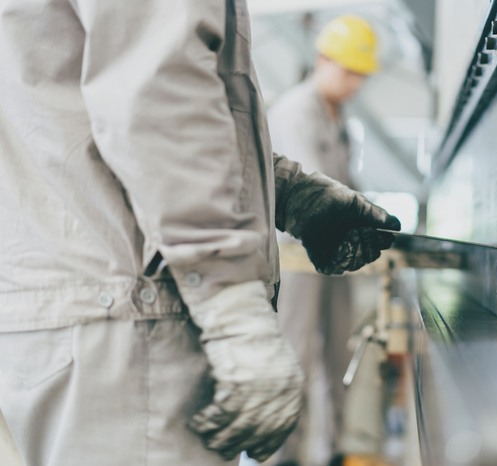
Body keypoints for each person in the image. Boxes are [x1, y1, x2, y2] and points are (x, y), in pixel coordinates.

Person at [0, 2, 399, 466]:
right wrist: (231, 302)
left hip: (104, 307)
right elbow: (157, 98)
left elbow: (147, 104)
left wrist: (291, 195)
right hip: (131, 320)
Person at [267, 15, 381, 466]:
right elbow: (316, 195)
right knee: (294, 353)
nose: (354, 83)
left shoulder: (339, 119)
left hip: (334, 256)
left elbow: (349, 186)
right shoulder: (297, 110)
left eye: (361, 75)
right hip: (297, 257)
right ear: (321, 60)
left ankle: (331, 450)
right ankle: (282, 456)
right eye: (347, 71)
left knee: (337, 351)